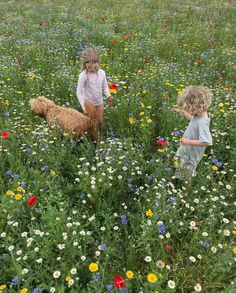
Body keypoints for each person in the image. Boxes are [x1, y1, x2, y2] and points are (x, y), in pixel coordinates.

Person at [173, 86, 213, 183]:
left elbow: (206, 141)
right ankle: (179, 179)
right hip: (188, 147)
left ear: (195, 105)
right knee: (181, 164)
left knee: (187, 172)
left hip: (192, 151)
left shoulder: (202, 122)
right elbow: (193, 120)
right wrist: (182, 112)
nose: (189, 110)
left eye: (189, 108)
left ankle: (185, 191)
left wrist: (188, 141)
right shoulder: (200, 115)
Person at [76, 48, 113, 138]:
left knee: (100, 121)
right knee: (90, 123)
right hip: (88, 104)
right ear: (85, 64)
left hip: (99, 102)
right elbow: (79, 92)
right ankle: (92, 138)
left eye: (95, 67)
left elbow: (105, 86)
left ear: (98, 62)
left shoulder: (102, 73)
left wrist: (108, 95)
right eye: (89, 67)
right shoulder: (83, 76)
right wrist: (83, 106)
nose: (92, 69)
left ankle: (101, 136)